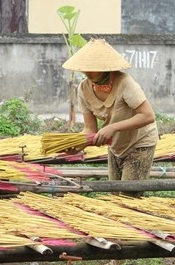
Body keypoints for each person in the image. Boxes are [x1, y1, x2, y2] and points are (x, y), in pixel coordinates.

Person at [62, 38, 159, 197]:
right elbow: (90, 129)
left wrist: (112, 127)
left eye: (93, 69)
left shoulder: (125, 83)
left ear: (106, 68)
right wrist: (78, 144)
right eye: (85, 69)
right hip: (116, 145)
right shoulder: (84, 89)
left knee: (129, 197)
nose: (88, 73)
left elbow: (148, 116)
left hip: (140, 142)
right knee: (114, 195)